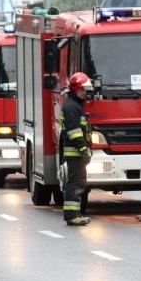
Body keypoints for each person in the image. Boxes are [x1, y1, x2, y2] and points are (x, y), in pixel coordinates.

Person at [60, 72, 93, 226]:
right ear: (75, 89)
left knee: (78, 182)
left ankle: (74, 213)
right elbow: (74, 131)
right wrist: (83, 149)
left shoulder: (74, 105)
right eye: (82, 90)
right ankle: (72, 215)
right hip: (76, 152)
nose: (85, 93)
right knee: (75, 183)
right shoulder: (71, 107)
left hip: (77, 152)